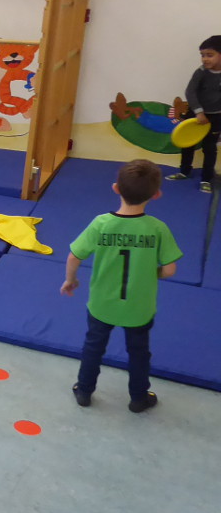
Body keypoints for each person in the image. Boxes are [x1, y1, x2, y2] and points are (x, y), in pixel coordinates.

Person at [61, 159, 181, 412]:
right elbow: (170, 270)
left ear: (116, 188)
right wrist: (149, 272)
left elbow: (74, 256)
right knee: (139, 352)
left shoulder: (101, 224)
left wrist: (71, 280)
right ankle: (138, 398)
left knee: (93, 346)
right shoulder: (158, 229)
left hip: (102, 303)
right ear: (156, 194)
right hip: (139, 307)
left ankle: (84, 390)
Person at [166, 35, 221, 193]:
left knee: (210, 148)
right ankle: (184, 171)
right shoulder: (201, 72)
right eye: (202, 55)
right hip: (196, 114)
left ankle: (206, 179)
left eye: (209, 55)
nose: (204, 59)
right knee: (188, 143)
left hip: (215, 117)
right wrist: (198, 112)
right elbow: (190, 92)